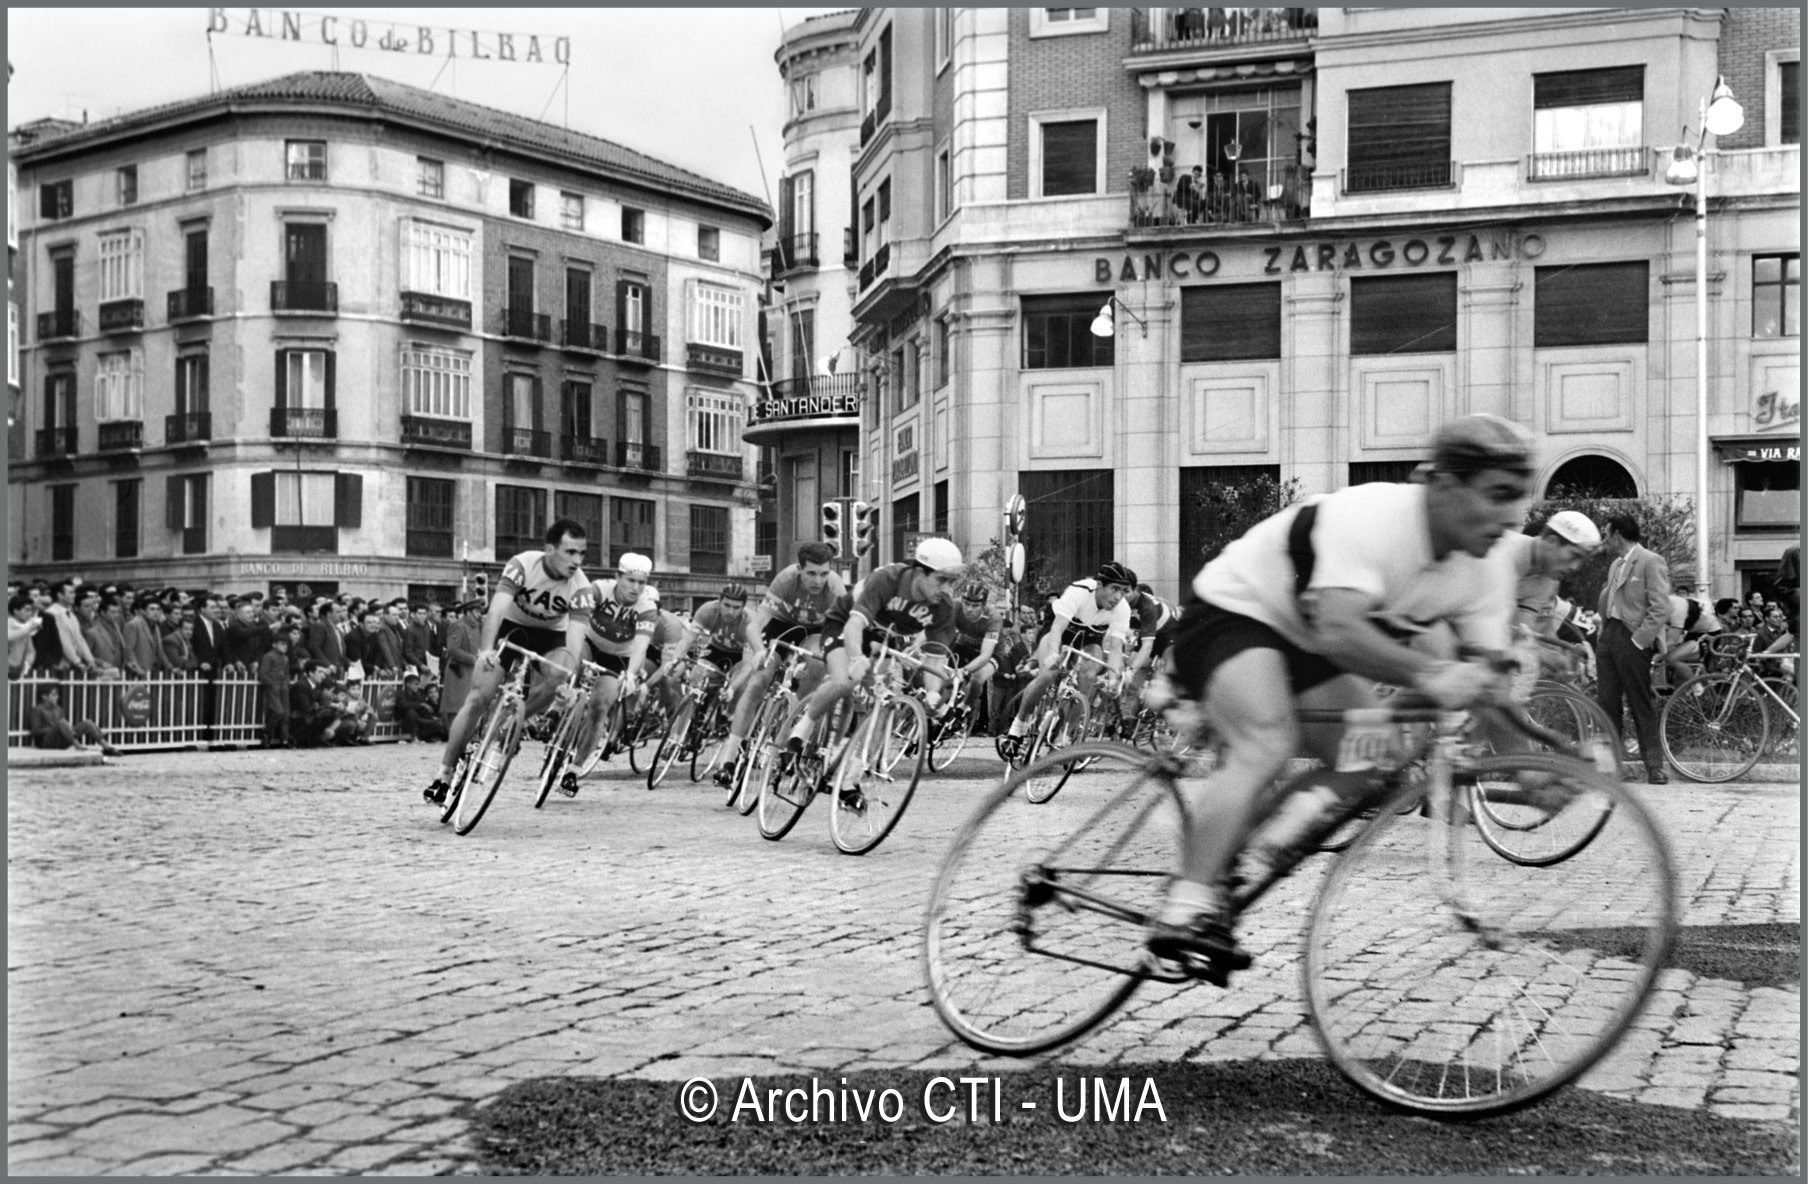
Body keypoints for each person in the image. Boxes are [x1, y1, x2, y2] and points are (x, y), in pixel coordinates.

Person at [1148, 413, 1532, 971]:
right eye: (1498, 495)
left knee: (1378, 755)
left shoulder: (1488, 566)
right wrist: (1431, 676)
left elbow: (1488, 680)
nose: (1511, 517)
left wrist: (1532, 768)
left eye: (1518, 500)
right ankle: (1183, 905)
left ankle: (1232, 839)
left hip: (1308, 640)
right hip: (1239, 608)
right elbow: (1340, 629)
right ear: (1443, 484)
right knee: (1266, 743)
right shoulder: (1375, 515)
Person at [424, 519, 593, 805]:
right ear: (549, 549)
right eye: (570, 552)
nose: (577, 561)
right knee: (479, 697)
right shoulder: (523, 564)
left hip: (550, 636)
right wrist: (487, 649)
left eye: (581, 553)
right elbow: (497, 609)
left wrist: (568, 680)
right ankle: (444, 774)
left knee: (557, 677)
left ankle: (516, 721)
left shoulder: (581, 588)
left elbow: (574, 642)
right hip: (511, 628)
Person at [780, 538, 966, 774]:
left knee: (887, 703)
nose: (947, 589)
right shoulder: (889, 579)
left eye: (952, 582)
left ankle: (853, 777)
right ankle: (800, 733)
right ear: (920, 571)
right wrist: (857, 658)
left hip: (883, 639)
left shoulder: (944, 607)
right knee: (843, 681)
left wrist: (931, 692)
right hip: (844, 623)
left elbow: (933, 660)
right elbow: (854, 625)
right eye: (941, 580)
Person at [711, 542, 848, 787]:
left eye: (823, 574)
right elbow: (754, 625)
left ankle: (793, 726)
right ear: (799, 569)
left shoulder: (835, 588)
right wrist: (760, 651)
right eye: (811, 573)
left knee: (816, 666)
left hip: (817, 631)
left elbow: (840, 632)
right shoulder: (785, 580)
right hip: (782, 626)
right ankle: (728, 760)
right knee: (758, 681)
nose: (818, 580)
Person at [997, 562, 1140, 762]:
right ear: (1099, 585)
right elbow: (1056, 629)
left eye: (1123, 591)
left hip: (1091, 636)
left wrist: (1114, 679)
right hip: (1062, 627)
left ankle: (1064, 735)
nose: (1118, 597)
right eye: (1114, 589)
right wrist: (1053, 654)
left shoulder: (1122, 608)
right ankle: (1018, 727)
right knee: (1049, 673)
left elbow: (1116, 649)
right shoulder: (1079, 591)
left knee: (1089, 677)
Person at [565, 553, 660, 795]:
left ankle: (573, 771)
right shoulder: (598, 589)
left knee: (600, 708)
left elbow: (641, 648)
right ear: (617, 577)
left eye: (642, 582)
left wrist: (630, 674)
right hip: (590, 642)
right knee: (572, 660)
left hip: (618, 658)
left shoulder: (647, 608)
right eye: (631, 581)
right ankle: (554, 714)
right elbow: (574, 620)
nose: (636, 588)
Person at [1596, 513, 1672, 784]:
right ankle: (1611, 768)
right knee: (1606, 703)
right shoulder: (1616, 564)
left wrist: (1640, 640)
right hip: (1609, 636)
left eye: (1607, 534)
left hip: (1632, 638)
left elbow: (1661, 607)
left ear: (1617, 534)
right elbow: (1610, 597)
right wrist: (1602, 631)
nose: (1605, 540)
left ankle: (1654, 766)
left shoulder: (1651, 561)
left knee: (1640, 702)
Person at [946, 581, 1003, 723]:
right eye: (966, 603)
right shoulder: (955, 606)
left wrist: (965, 671)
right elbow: (942, 632)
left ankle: (965, 706)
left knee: (977, 677)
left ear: (984, 605)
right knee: (947, 677)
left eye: (975, 605)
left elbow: (985, 655)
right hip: (964, 644)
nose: (969, 609)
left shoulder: (993, 617)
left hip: (992, 651)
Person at [27, 684, 116, 754]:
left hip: (62, 740)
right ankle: (77, 745)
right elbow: (35, 731)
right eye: (53, 695)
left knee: (87, 723)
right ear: (44, 697)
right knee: (61, 722)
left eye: (56, 695)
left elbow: (64, 726)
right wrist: (55, 728)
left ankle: (106, 746)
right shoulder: (38, 709)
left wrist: (66, 729)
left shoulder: (58, 709)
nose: (57, 697)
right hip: (46, 742)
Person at [439, 598, 484, 726]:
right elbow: (452, 649)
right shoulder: (458, 626)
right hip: (458, 670)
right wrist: (472, 659)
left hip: (472, 671)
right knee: (456, 705)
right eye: (476, 611)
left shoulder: (476, 627)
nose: (479, 614)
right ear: (468, 612)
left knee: (469, 705)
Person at [393, 671, 447, 743]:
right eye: (416, 684)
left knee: (439, 725)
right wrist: (421, 705)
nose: (418, 686)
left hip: (419, 720)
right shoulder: (401, 694)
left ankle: (428, 737)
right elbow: (404, 706)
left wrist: (432, 717)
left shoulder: (418, 695)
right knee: (411, 712)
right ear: (408, 684)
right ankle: (414, 737)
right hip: (406, 721)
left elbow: (424, 710)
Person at [258, 633, 292, 747]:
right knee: (278, 712)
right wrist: (271, 684)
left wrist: (286, 682)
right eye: (282, 644)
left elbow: (287, 673)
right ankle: (266, 734)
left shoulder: (286, 658)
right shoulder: (269, 656)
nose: (285, 646)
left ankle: (284, 739)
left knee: (286, 714)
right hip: (274, 687)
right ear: (274, 645)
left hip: (283, 687)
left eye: (286, 644)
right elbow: (263, 674)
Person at [9, 593, 43, 678]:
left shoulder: (26, 628)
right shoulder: (8, 623)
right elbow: (9, 636)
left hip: (17, 670)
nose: (30, 613)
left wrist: (26, 666)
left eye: (31, 610)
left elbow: (31, 651)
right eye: (27, 610)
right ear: (16, 611)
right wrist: (29, 628)